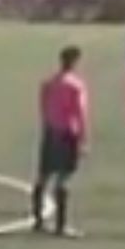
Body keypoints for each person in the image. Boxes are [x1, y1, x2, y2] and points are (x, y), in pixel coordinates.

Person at [31, 46, 89, 237]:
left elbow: (43, 107)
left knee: (43, 176)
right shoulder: (75, 85)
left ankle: (38, 220)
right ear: (74, 61)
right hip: (66, 134)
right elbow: (80, 114)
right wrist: (82, 139)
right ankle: (61, 226)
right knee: (63, 178)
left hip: (50, 131)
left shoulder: (48, 84)